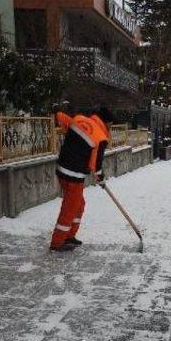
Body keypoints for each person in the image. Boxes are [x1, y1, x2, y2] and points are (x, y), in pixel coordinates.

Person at [50, 106, 113, 252]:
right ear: (106, 122)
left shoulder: (79, 119)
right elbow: (96, 165)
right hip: (74, 175)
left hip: (62, 169)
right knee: (71, 207)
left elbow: (61, 117)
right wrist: (100, 178)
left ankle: (69, 235)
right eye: (110, 124)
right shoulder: (100, 137)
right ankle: (57, 242)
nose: (110, 127)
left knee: (79, 204)